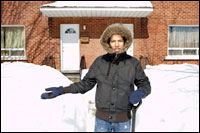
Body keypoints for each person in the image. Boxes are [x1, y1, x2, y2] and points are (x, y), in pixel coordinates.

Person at [41, 23, 151, 132]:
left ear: (125, 42)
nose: (117, 44)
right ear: (108, 42)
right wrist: (62, 90)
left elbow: (145, 85)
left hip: (123, 120)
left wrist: (140, 92)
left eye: (120, 41)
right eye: (113, 41)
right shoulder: (100, 62)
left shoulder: (133, 63)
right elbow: (85, 84)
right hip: (102, 121)